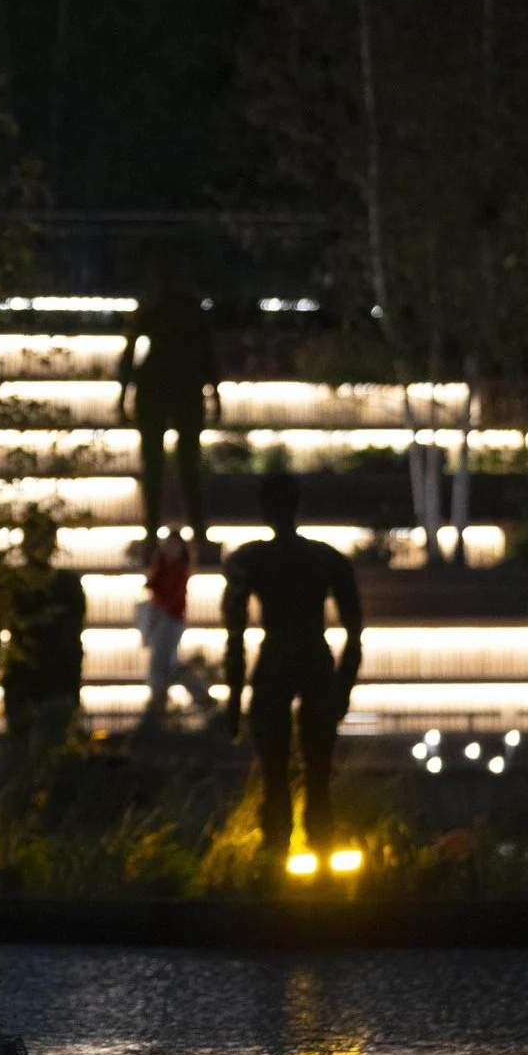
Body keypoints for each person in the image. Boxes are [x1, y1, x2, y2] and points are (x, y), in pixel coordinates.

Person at [223, 471, 365, 856]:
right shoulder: (326, 558)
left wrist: (234, 703)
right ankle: (316, 864)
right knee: (317, 777)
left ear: (264, 509)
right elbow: (355, 633)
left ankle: (275, 861)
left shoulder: (250, 559)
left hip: (277, 658)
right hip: (313, 659)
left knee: (275, 776)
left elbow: (234, 633)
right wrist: (343, 688)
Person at [115, 250, 221, 558]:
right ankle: (187, 533)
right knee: (174, 466)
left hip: (165, 388)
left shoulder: (160, 307)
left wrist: (122, 397)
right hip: (177, 388)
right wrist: (215, 394)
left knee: (168, 466)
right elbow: (207, 355)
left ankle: (166, 533)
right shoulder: (182, 307)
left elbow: (130, 352)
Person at [0, 512, 87, 734]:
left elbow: (73, 641)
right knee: (30, 749)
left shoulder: (67, 586)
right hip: (26, 679)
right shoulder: (9, 583)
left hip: (52, 679)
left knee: (40, 749)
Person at [134, 531, 209, 731]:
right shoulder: (163, 566)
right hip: (162, 618)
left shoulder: (180, 569)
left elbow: (170, 595)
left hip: (171, 619)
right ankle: (197, 694)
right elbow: (151, 584)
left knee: (160, 666)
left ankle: (158, 709)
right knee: (165, 665)